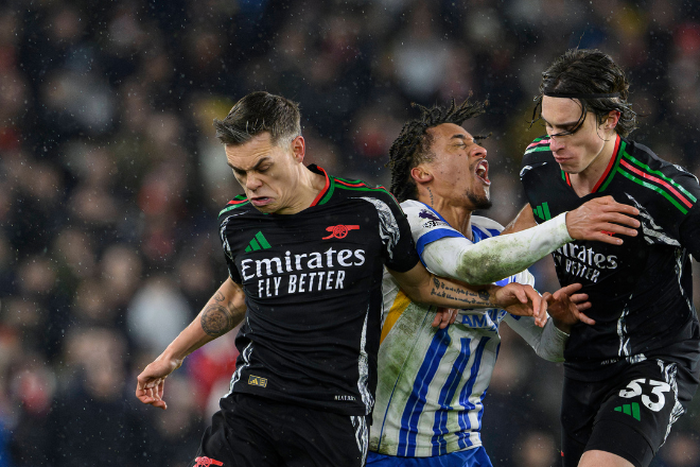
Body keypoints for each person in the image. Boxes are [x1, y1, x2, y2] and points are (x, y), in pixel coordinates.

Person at [134, 91, 548, 467]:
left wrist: (491, 298)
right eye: (239, 172)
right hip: (253, 402)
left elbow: (420, 285)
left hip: (334, 415)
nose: (251, 184)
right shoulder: (236, 221)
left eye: (262, 167)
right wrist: (172, 355)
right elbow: (236, 293)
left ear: (297, 149)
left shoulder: (371, 211)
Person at [367, 98, 641, 467]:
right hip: (392, 451)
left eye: (476, 143)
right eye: (459, 145)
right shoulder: (408, 221)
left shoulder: (493, 239)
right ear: (422, 173)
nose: (480, 148)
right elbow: (469, 264)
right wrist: (565, 225)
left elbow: (547, 348)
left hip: (465, 452)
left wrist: (558, 322)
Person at [511, 49, 700, 467]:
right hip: (582, 364)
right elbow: (513, 242)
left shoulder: (663, 190)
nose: (555, 143)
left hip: (654, 359)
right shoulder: (538, 166)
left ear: (609, 120)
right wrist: (470, 291)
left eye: (569, 129)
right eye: (548, 126)